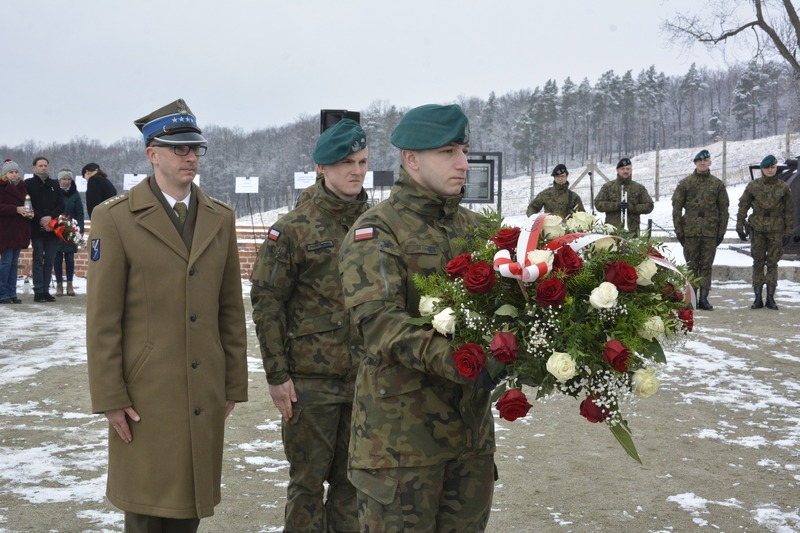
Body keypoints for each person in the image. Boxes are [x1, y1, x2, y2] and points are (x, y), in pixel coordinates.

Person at [86, 98, 248, 533]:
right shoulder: (115, 218)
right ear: (151, 154)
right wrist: (110, 396)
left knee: (190, 506)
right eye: (179, 149)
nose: (191, 156)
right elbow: (103, 318)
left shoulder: (219, 217)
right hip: (146, 392)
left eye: (196, 148)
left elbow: (230, 308)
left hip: (203, 386)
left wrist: (232, 380)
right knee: (146, 508)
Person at [338, 104, 496, 532]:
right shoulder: (378, 230)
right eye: (448, 151)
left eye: (464, 149)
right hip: (400, 446)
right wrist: (463, 359)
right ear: (411, 159)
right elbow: (379, 324)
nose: (463, 162)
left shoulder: (478, 230)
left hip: (470, 439)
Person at [251, 118, 369, 532]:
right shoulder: (292, 229)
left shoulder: (378, 224)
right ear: (322, 167)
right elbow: (267, 303)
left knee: (353, 484)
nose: (356, 171)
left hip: (365, 380)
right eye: (345, 163)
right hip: (310, 382)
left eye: (361, 161)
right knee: (305, 486)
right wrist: (277, 375)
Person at [672, 149, 730, 311]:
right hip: (690, 232)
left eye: (705, 160)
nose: (703, 163)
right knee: (691, 266)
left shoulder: (717, 184)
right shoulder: (685, 184)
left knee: (706, 266)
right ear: (695, 163)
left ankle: (704, 299)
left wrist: (721, 232)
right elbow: (676, 209)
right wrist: (679, 232)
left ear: (710, 162)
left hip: (710, 231)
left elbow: (724, 210)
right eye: (699, 161)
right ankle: (691, 299)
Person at [736, 154, 794, 310]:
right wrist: (739, 225)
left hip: (776, 230)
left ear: (776, 168)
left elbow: (789, 211)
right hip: (758, 230)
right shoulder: (753, 186)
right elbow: (743, 206)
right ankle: (757, 298)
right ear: (762, 169)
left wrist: (788, 232)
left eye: (773, 167)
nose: (770, 170)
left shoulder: (783, 187)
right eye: (767, 167)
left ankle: (770, 298)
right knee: (758, 263)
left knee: (773, 263)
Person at [24, 156, 64, 302]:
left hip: (52, 228)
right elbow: (28, 205)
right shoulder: (28, 184)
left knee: (49, 260)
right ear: (34, 167)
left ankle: (46, 290)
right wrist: (41, 218)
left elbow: (61, 205)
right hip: (36, 227)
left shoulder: (54, 184)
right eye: (40, 165)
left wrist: (50, 218)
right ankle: (38, 291)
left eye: (45, 165)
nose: (43, 168)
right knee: (38, 259)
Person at [0, 159, 33, 304]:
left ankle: (12, 292)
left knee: (14, 263)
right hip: (6, 229)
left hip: (19, 229)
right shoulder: (1, 186)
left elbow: (27, 203)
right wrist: (16, 209)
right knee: (6, 262)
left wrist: (30, 212)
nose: (14, 175)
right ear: (4, 174)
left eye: (16, 172)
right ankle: (2, 293)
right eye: (10, 172)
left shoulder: (22, 187)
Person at [594, 157, 654, 235]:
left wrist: (632, 207)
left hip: (632, 232)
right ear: (617, 170)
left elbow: (649, 205)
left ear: (631, 170)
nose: (625, 171)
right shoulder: (608, 187)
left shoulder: (639, 188)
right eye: (622, 169)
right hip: (612, 231)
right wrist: (616, 206)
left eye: (628, 169)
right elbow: (598, 204)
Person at [53, 169, 85, 296]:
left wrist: (80, 229)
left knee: (70, 258)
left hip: (71, 229)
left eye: (68, 179)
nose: (66, 182)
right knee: (57, 257)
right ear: (59, 180)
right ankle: (59, 285)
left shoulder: (75, 194)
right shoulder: (55, 192)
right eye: (64, 179)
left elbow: (80, 213)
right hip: (57, 228)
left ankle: (70, 285)